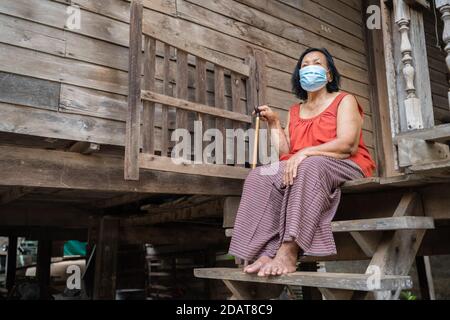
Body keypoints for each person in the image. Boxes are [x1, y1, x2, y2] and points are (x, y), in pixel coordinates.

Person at [228, 48, 376, 277]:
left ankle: (289, 250)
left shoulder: (344, 100)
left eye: (316, 63)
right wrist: (275, 124)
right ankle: (265, 251)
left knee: (310, 165)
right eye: (304, 65)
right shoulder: (295, 110)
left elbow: (348, 145)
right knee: (260, 175)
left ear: (328, 75)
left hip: (345, 164)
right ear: (299, 75)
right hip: (307, 166)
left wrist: (305, 153)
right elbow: (287, 153)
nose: (310, 68)